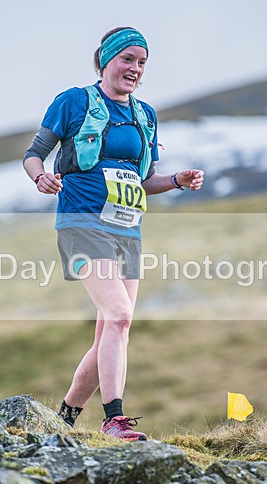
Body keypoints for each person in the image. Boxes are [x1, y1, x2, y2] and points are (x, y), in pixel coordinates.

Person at [23, 27, 204, 441]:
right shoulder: (73, 102)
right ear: (105, 60)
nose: (135, 69)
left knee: (112, 328)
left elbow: (144, 181)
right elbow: (34, 154)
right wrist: (41, 178)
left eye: (142, 63)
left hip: (127, 232)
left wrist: (177, 179)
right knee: (120, 316)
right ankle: (113, 419)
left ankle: (65, 417)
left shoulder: (145, 115)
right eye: (127, 60)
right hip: (82, 225)